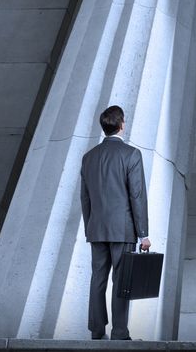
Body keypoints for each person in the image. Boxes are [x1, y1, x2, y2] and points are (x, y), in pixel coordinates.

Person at [80, 105, 151, 340]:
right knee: (121, 281)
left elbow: (85, 197)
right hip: (123, 229)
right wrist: (143, 234)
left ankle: (96, 329)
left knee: (97, 278)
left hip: (97, 228)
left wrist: (90, 226)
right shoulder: (131, 154)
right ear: (121, 125)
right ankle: (119, 332)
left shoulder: (88, 157)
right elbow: (137, 196)